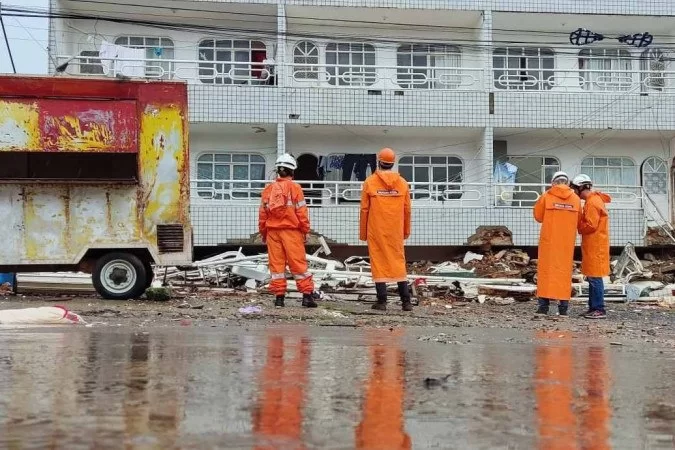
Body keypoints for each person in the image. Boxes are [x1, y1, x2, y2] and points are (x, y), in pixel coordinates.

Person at [258, 153, 317, 308]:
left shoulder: (268, 190)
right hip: (292, 232)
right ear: (292, 171)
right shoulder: (295, 188)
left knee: (276, 266)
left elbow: (263, 214)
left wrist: (264, 232)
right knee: (298, 264)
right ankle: (307, 297)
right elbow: (301, 212)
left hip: (272, 232)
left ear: (278, 170)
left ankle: (279, 299)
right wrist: (305, 230)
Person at [359, 147, 413, 311]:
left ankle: (382, 301)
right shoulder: (402, 183)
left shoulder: (370, 182)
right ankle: (406, 301)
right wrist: (405, 231)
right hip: (395, 230)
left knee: (378, 262)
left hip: (376, 229)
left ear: (379, 161)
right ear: (392, 163)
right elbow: (407, 210)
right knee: (398, 262)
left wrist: (363, 234)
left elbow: (364, 210)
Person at [533, 171, 581, 316]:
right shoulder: (575, 199)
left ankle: (543, 307)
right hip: (566, 244)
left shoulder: (546, 196)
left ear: (553, 182)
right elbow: (579, 220)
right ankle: (563, 308)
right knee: (564, 274)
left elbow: (538, 217)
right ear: (566, 182)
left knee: (546, 273)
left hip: (549, 242)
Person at [572, 174, 611, 319]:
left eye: (575, 189)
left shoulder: (592, 203)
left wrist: (579, 226)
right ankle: (593, 307)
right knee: (593, 277)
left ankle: (598, 309)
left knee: (595, 278)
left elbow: (590, 225)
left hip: (595, 245)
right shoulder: (595, 200)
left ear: (581, 187)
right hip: (595, 244)